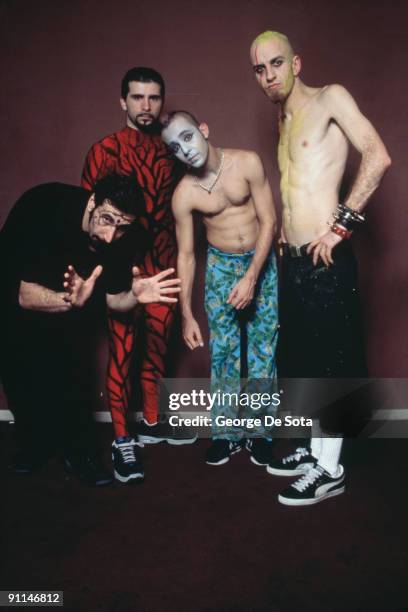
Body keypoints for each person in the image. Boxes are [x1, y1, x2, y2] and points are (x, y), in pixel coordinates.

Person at [250, 30, 391, 505]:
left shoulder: (331, 97)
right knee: (307, 360)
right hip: (295, 260)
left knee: (333, 361)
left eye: (276, 63)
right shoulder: (283, 119)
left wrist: (342, 226)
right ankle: (316, 452)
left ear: (296, 62)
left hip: (327, 256)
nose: (268, 75)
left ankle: (331, 471)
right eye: (259, 68)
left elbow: (378, 154)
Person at [0, 174, 180, 486]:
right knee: (20, 367)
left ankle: (79, 453)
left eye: (122, 227)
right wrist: (71, 301)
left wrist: (135, 296)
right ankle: (33, 445)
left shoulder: (123, 238)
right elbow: (24, 297)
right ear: (93, 201)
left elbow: (113, 300)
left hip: (69, 298)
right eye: (106, 219)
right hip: (14, 289)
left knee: (71, 368)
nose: (110, 235)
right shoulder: (45, 209)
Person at [82, 67, 193, 464]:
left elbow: (199, 180)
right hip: (122, 269)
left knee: (158, 350)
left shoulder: (172, 148)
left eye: (154, 98)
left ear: (162, 101)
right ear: (123, 101)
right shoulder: (105, 150)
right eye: (137, 97)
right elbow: (90, 221)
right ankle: (121, 436)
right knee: (123, 351)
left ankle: (150, 420)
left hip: (162, 264)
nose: (146, 106)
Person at [161, 111, 279, 466]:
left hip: (260, 263)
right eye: (174, 147)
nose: (184, 149)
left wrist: (253, 275)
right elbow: (185, 255)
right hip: (221, 267)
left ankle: (259, 434)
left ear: (203, 130)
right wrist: (185, 314)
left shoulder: (247, 163)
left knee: (263, 350)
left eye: (187, 137)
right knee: (224, 354)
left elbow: (270, 220)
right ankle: (227, 435)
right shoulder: (183, 195)